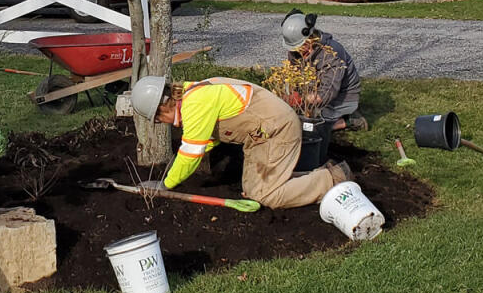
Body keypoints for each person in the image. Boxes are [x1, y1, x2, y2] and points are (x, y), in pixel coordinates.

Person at [129, 75, 350, 210]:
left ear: (163, 107)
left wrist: (166, 184)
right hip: (260, 135)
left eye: (157, 119)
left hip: (276, 129)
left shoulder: (194, 104)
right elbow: (205, 141)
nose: (161, 123)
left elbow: (191, 151)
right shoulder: (193, 95)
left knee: (265, 196)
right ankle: (317, 177)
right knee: (253, 190)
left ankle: (332, 179)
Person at [280, 10, 366, 131]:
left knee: (310, 128)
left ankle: (351, 120)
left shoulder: (331, 54)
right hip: (313, 93)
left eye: (302, 48)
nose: (299, 52)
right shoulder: (296, 51)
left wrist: (301, 100)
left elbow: (327, 92)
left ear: (310, 38)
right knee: (295, 119)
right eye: (296, 49)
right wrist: (289, 94)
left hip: (342, 96)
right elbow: (292, 76)